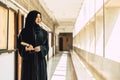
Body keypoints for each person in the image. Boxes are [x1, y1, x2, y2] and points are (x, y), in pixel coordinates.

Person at [17, 10, 49, 80]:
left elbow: (46, 47)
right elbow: (19, 45)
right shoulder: (24, 32)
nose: (39, 19)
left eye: (40, 17)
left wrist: (41, 48)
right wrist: (26, 48)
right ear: (32, 18)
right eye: (37, 17)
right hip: (28, 62)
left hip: (40, 62)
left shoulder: (44, 32)